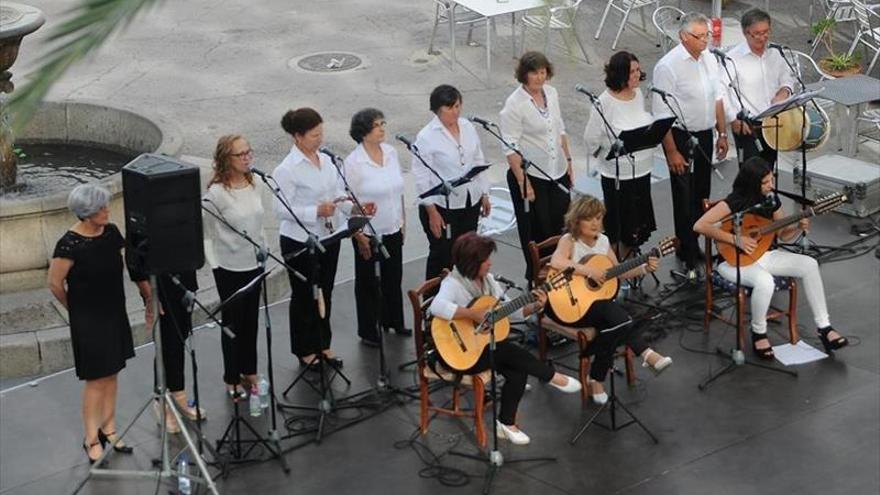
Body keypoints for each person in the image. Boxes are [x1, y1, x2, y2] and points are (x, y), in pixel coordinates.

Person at [430, 232, 581, 445]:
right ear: (472, 263)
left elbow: (513, 311)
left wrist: (536, 305)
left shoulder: (489, 281)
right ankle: (551, 376)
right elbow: (436, 306)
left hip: (480, 348)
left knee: (517, 370)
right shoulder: (453, 283)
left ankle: (506, 423)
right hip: (456, 354)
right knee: (507, 351)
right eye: (485, 260)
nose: (490, 264)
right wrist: (473, 315)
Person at [693, 157, 847, 358]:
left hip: (763, 255)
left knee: (809, 264)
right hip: (732, 262)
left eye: (771, 180)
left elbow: (783, 233)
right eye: (765, 182)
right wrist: (735, 239)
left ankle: (824, 328)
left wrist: (798, 226)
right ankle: (758, 332)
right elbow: (699, 226)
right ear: (752, 183)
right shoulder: (734, 201)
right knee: (765, 281)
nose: (771, 186)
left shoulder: (772, 200)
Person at [47, 183, 152, 464]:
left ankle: (110, 428)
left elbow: (127, 262)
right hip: (88, 319)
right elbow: (54, 284)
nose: (107, 210)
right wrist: (75, 308)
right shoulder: (69, 244)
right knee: (96, 380)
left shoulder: (111, 233)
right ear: (86, 213)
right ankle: (91, 438)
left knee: (112, 373)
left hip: (113, 312)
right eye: (101, 208)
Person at [274, 107, 375, 369]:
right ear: (298, 136)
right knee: (305, 295)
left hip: (328, 235)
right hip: (300, 240)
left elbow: (338, 193)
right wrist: (315, 211)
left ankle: (323, 343)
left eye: (321, 133)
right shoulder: (287, 169)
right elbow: (281, 209)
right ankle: (305, 349)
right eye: (313, 135)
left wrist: (354, 208)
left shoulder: (327, 160)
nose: (320, 139)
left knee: (325, 291)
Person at [547, 196, 673, 403]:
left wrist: (643, 268)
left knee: (617, 322)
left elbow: (617, 272)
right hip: (568, 306)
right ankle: (645, 354)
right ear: (577, 220)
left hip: (595, 306)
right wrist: (589, 271)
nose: (596, 223)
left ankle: (597, 377)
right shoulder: (569, 240)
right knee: (618, 318)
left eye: (598, 217)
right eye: (589, 218)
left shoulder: (604, 241)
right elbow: (557, 261)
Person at [652, 12, 729, 273]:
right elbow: (661, 113)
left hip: (705, 131)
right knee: (683, 194)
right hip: (680, 135)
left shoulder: (709, 59)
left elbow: (717, 97)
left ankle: (700, 240)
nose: (705, 41)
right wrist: (672, 151)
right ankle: (686, 247)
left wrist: (722, 132)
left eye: (707, 35)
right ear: (683, 37)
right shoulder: (668, 66)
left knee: (701, 191)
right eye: (699, 36)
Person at [500, 51, 573, 281]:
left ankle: (562, 272)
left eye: (542, 72)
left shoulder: (551, 93)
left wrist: (568, 161)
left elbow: (560, 129)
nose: (539, 77)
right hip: (532, 175)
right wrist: (525, 182)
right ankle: (539, 278)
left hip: (556, 171)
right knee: (536, 230)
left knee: (561, 224)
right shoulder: (514, 104)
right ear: (524, 75)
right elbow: (509, 147)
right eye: (534, 73)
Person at [203, 134, 266, 399]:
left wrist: (264, 248)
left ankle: (249, 369)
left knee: (251, 321)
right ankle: (231, 375)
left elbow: (259, 223)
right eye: (241, 154)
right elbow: (207, 235)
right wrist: (216, 266)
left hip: (255, 262)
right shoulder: (216, 194)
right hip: (228, 268)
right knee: (232, 324)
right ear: (226, 159)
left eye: (248, 152)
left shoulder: (256, 182)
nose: (247, 158)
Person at [345, 108, 411, 346]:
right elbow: (349, 201)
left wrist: (403, 221)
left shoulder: (391, 153)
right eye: (377, 125)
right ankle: (368, 329)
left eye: (383, 123)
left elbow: (398, 190)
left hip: (392, 225)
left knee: (393, 276)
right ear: (364, 132)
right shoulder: (354, 162)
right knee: (368, 282)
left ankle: (393, 319)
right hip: (368, 232)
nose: (382, 128)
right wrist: (358, 235)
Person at [412, 84, 491, 282]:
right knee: (443, 256)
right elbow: (422, 177)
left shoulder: (467, 126)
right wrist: (431, 211)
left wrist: (484, 193)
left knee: (468, 252)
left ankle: (465, 296)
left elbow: (478, 159)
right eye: (450, 108)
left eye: (457, 106)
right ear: (438, 110)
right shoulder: (426, 136)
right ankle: (432, 303)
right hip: (443, 205)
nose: (455, 112)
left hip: (469, 200)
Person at [583, 51, 657, 261]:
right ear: (620, 74)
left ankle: (633, 262)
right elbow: (591, 138)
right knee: (621, 223)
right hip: (618, 176)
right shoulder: (604, 102)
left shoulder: (638, 94)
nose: (637, 75)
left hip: (642, 169)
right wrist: (603, 155)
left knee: (637, 223)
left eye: (637, 70)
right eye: (632, 71)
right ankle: (618, 265)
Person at [723, 8, 796, 166]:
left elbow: (787, 79)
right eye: (756, 33)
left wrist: (783, 92)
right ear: (745, 32)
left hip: (773, 120)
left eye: (766, 32)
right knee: (751, 172)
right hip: (748, 124)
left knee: (769, 168)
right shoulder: (733, 59)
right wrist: (733, 120)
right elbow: (722, 92)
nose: (762, 38)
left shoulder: (775, 53)